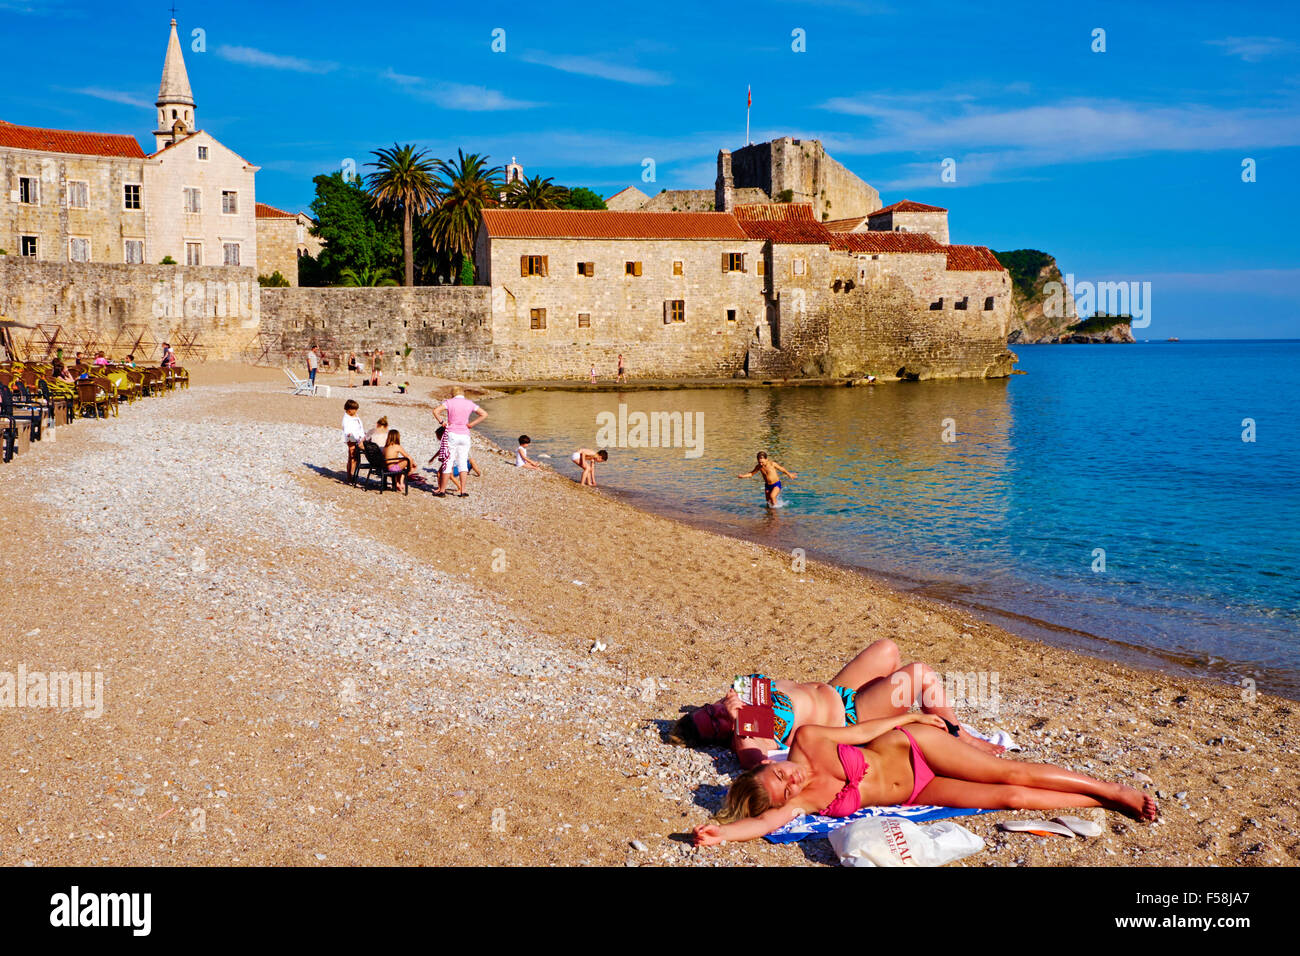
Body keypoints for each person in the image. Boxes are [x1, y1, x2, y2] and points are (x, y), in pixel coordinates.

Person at [692, 718, 1158, 847]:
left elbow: (863, 733)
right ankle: (1098, 804)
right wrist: (722, 833)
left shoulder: (809, 740)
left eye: (779, 774)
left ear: (767, 764)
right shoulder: (803, 802)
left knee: (1014, 772)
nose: (791, 781)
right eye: (787, 790)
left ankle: (1113, 789)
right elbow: (766, 822)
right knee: (1011, 799)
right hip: (918, 791)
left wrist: (913, 715)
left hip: (914, 747)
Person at [669, 639, 1004, 769]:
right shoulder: (748, 734)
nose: (715, 712)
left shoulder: (745, 693)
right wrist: (738, 720)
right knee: (919, 674)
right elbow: (762, 766)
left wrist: (728, 704)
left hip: (838, 691)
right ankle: (960, 736)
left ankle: (911, 710)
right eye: (713, 722)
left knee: (887, 649)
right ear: (719, 737)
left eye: (708, 710)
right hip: (852, 717)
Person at [433, 387, 487, 497]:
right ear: (463, 394)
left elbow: (435, 411)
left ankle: (442, 490)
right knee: (463, 463)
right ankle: (463, 491)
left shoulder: (449, 402)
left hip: (452, 434)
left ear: (453, 394)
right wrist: (472, 424)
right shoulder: (469, 403)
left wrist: (442, 422)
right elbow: (484, 414)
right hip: (465, 435)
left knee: (448, 462)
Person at [342, 399, 364, 483]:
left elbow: (359, 427)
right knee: (352, 456)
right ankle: (350, 476)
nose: (355, 411)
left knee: (354, 457)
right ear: (349, 409)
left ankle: (352, 475)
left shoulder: (355, 416)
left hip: (357, 437)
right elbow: (348, 431)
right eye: (354, 409)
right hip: (351, 437)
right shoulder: (346, 418)